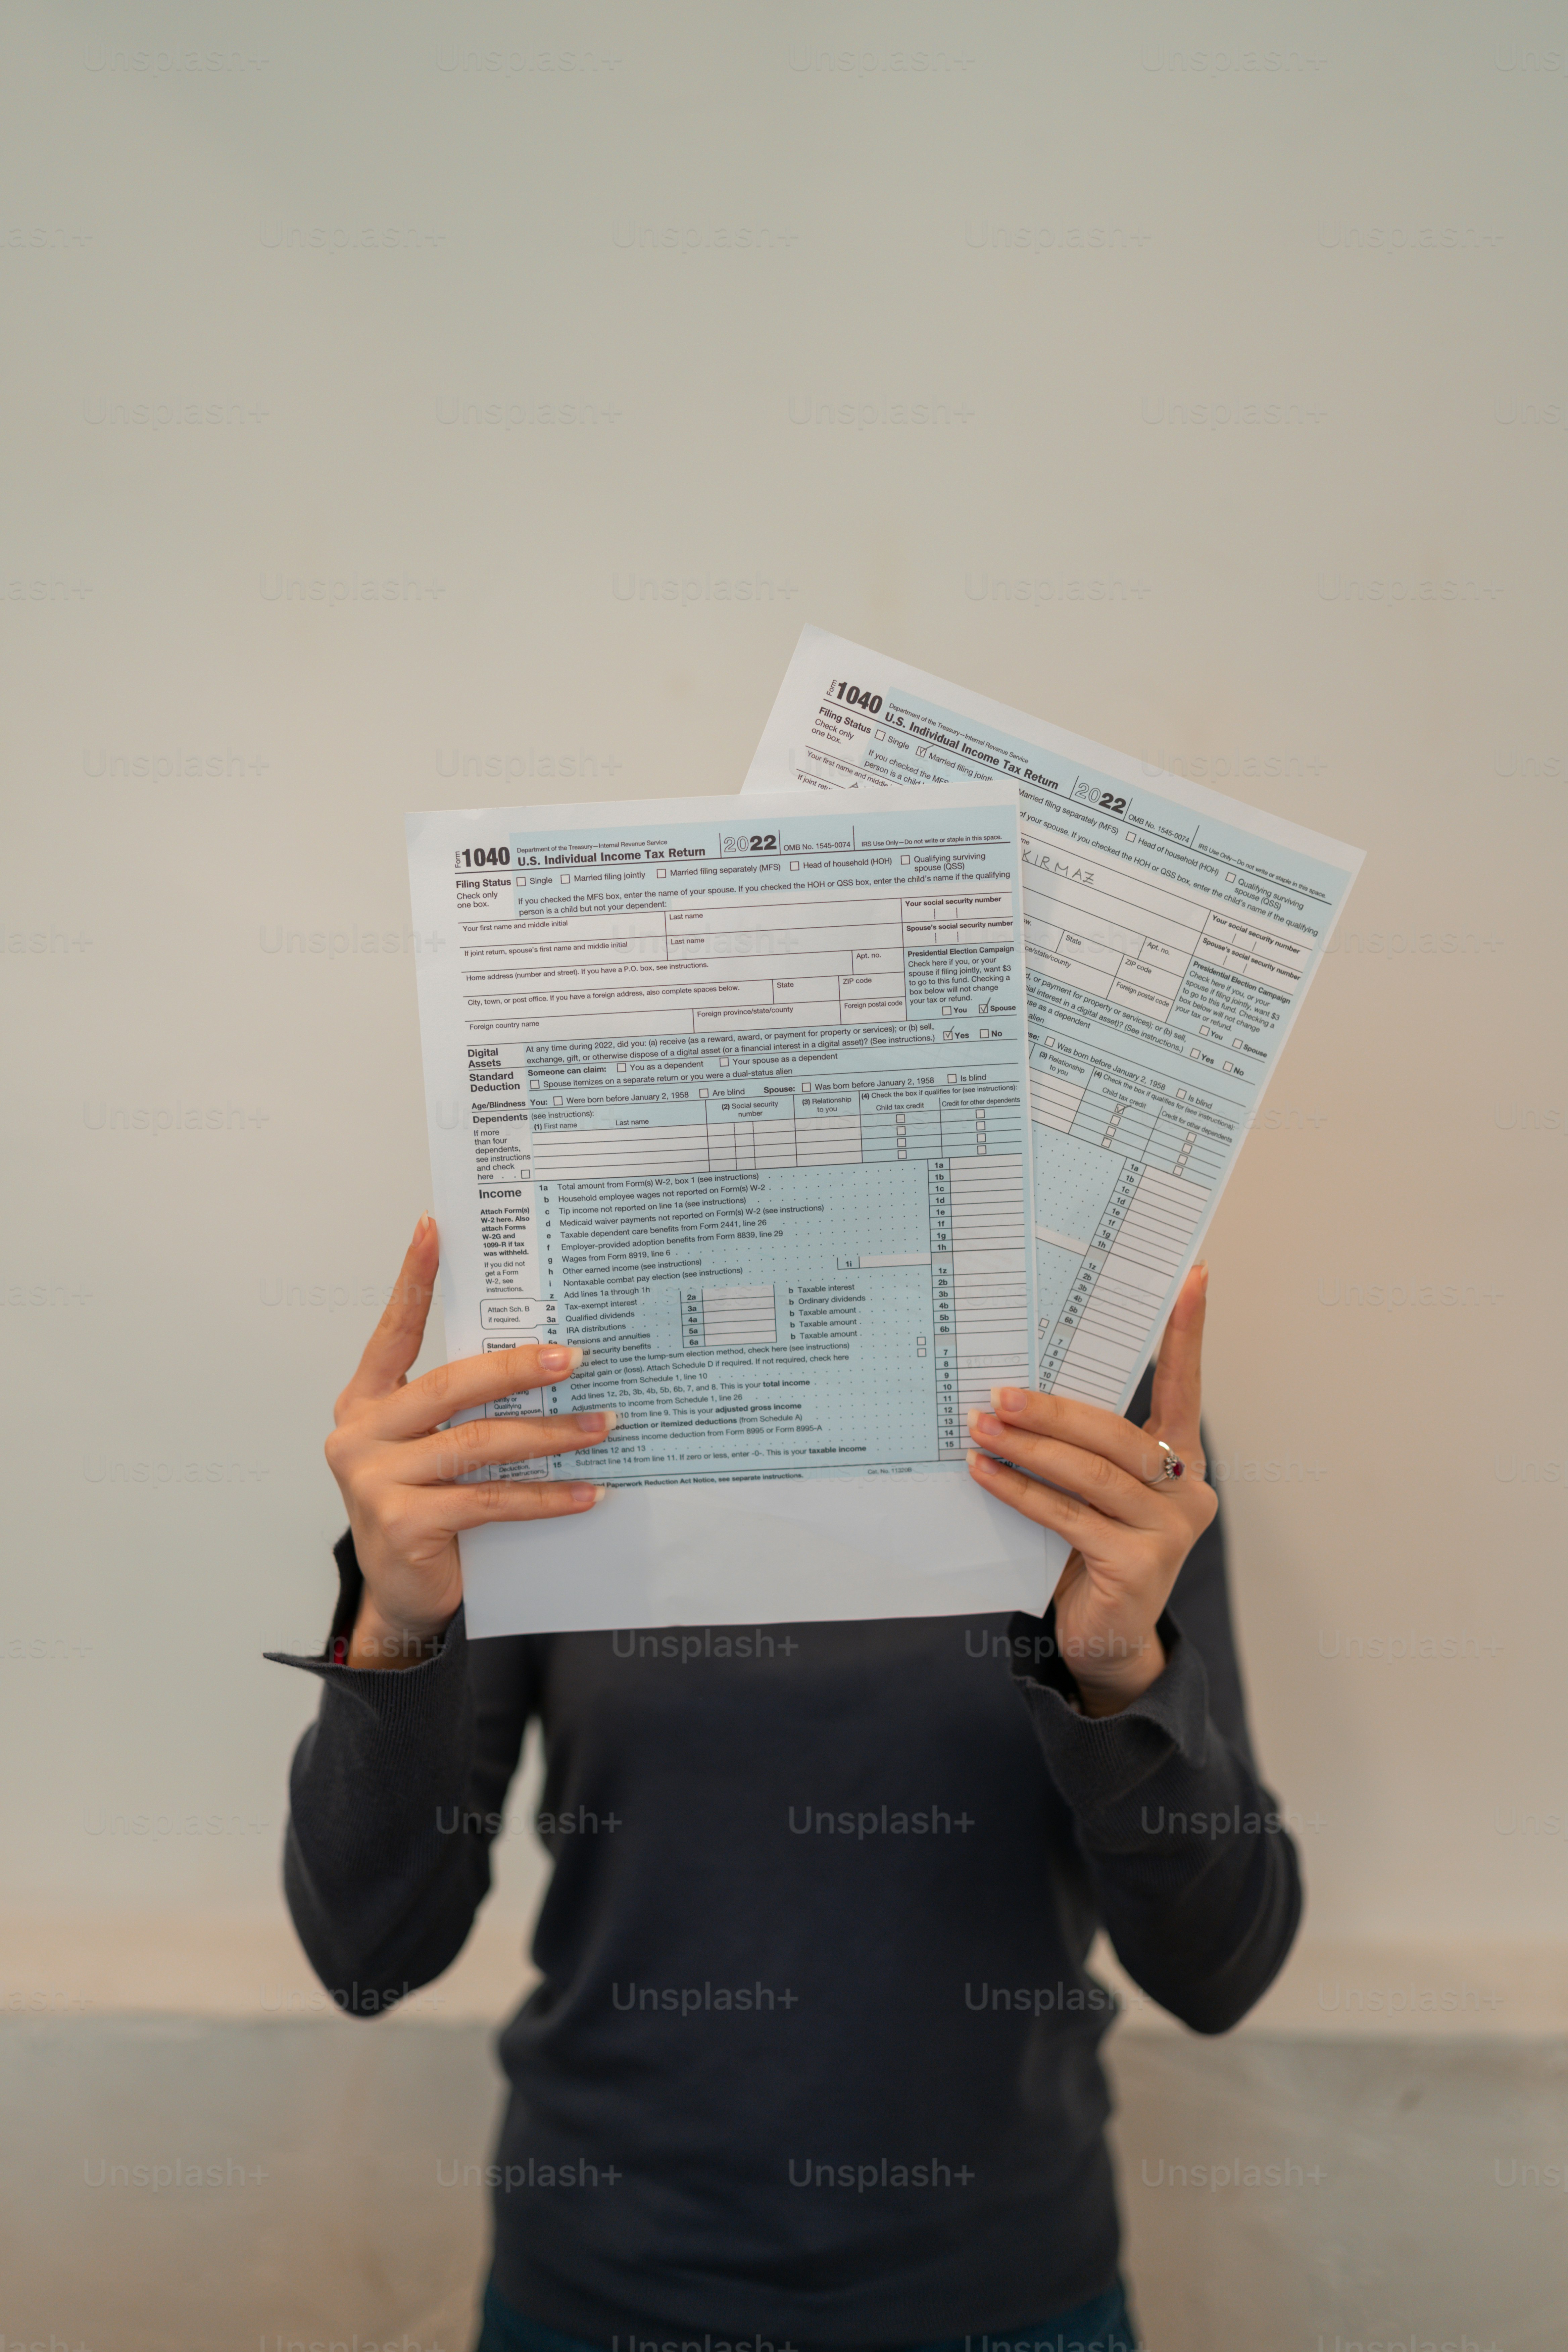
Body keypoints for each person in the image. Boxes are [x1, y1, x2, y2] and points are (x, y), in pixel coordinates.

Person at [272, 1216, 1301, 2352]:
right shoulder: (549, 1407)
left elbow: (1222, 1966)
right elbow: (368, 1953)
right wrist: (397, 1624)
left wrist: (1118, 1671)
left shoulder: (1097, 1418)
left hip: (1005, 2293)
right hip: (605, 2292)